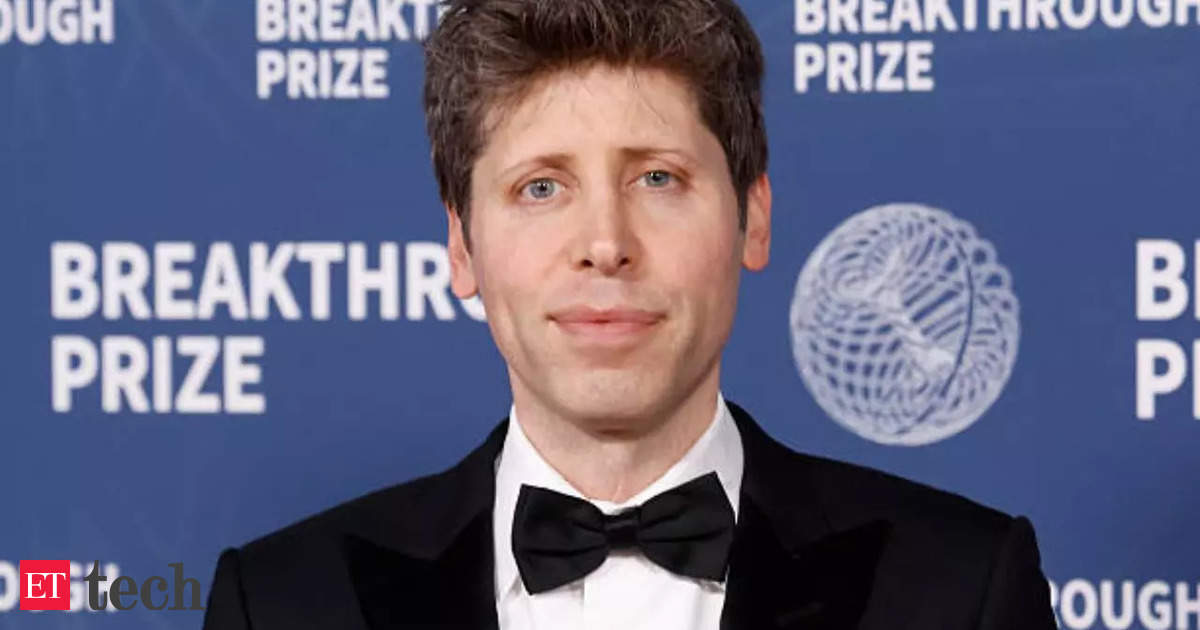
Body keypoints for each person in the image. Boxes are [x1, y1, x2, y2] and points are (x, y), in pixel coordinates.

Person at [202, 0, 1057, 628]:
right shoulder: (281, 604)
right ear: (462, 245)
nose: (605, 244)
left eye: (658, 178)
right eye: (542, 187)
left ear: (754, 217)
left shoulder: (960, 589)